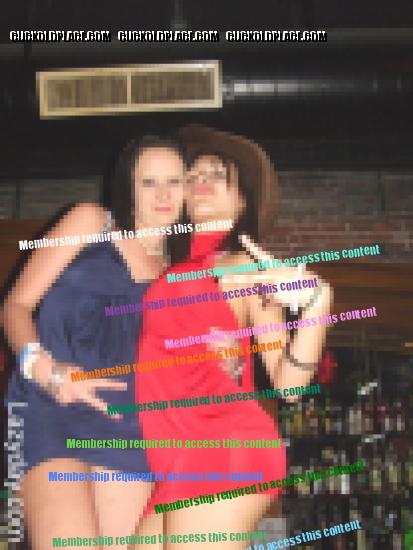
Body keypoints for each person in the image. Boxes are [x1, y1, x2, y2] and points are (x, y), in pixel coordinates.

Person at [135, 126, 333, 549]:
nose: (201, 181)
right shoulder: (173, 267)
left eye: (218, 174)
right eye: (193, 175)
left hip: (222, 445)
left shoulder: (243, 266)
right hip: (176, 458)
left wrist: (317, 304)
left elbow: (289, 385)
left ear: (243, 200)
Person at [2, 136, 186, 550]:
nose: (162, 194)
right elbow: (15, 306)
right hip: (48, 405)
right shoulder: (91, 222)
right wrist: (46, 369)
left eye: (174, 181)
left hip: (128, 427)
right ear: (128, 187)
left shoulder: (181, 274)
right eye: (149, 182)